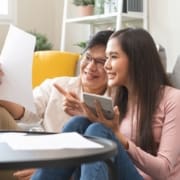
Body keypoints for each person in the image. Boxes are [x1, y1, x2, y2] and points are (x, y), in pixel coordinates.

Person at [32, 28, 180, 180]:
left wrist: (120, 138)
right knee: (79, 123)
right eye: (106, 58)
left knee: (98, 130)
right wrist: (87, 114)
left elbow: (164, 170)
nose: (107, 65)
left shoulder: (173, 99)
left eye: (113, 57)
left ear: (137, 60)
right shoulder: (119, 99)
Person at [0, 30, 114, 180]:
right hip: (37, 156)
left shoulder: (115, 101)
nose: (91, 67)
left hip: (70, 170)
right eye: (88, 57)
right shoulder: (58, 85)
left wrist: (48, 170)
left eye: (100, 62)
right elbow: (24, 111)